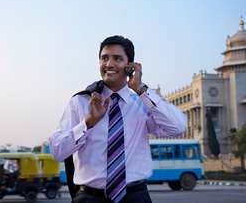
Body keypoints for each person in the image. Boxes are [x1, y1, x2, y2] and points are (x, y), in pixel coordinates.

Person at [48, 35, 187, 203]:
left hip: (135, 197)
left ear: (131, 66)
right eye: (104, 58)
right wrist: (88, 123)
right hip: (90, 198)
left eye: (118, 58)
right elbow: (57, 151)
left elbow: (178, 127)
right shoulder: (81, 102)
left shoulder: (143, 103)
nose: (109, 64)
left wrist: (141, 89)